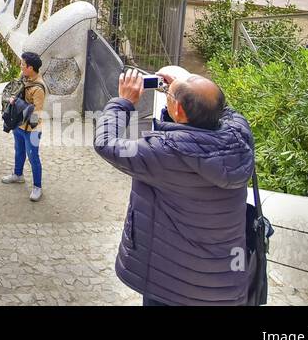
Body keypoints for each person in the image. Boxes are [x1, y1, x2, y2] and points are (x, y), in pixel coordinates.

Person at [94, 66, 256, 306]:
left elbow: (106, 143)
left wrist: (123, 102)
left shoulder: (165, 152)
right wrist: (185, 90)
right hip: (225, 285)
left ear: (178, 109)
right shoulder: (240, 136)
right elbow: (218, 111)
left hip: (170, 284)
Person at [2, 51, 47, 202]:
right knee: (18, 151)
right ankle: (18, 174)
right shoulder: (24, 78)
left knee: (33, 157)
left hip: (32, 130)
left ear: (30, 68)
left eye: (23, 64)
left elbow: (37, 112)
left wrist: (31, 129)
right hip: (19, 125)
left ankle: (37, 187)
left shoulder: (38, 88)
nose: (21, 66)